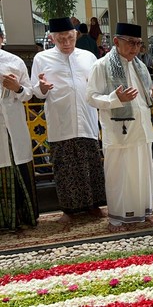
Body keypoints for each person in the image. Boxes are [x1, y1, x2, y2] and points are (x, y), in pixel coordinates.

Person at [87, 23, 153, 232]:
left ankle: (143, 213)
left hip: (141, 129)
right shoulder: (101, 66)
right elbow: (91, 97)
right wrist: (115, 98)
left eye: (138, 43)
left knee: (142, 173)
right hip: (118, 132)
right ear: (116, 41)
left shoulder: (139, 67)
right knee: (119, 175)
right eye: (130, 42)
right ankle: (117, 219)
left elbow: (145, 101)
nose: (135, 48)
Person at [31, 17, 106, 223]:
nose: (66, 43)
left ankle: (94, 206)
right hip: (60, 120)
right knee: (65, 167)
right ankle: (69, 210)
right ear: (53, 38)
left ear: (76, 36)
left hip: (87, 117)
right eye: (61, 39)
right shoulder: (42, 59)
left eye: (70, 38)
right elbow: (36, 90)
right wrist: (43, 88)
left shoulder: (89, 57)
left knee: (90, 164)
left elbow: (96, 85)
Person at [0, 25, 39, 230]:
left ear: (2, 39)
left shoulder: (13, 62)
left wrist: (17, 88)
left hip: (13, 121)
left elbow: (29, 93)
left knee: (18, 163)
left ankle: (25, 217)